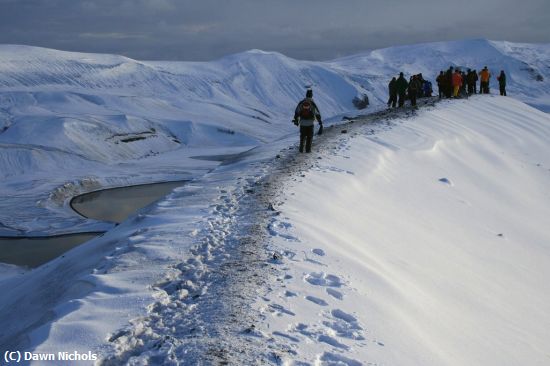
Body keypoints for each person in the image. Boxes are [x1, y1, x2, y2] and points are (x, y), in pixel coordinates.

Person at [293, 89, 323, 153]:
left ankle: (301, 150)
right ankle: (308, 150)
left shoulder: (301, 102)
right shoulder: (312, 103)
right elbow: (317, 113)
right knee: (309, 137)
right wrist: (320, 122)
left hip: (302, 123)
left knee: (302, 136)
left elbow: (297, 112)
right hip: (310, 124)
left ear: (306, 95)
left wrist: (296, 119)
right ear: (311, 95)